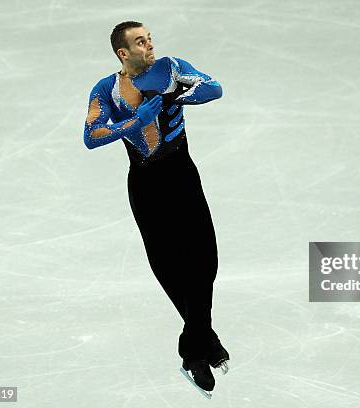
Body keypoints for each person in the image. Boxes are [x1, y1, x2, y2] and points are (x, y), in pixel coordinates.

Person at [83, 20, 228, 398]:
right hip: (146, 184)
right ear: (123, 52)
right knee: (168, 264)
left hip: (182, 173)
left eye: (149, 39)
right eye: (140, 42)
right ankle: (199, 348)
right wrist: (135, 121)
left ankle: (196, 339)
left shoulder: (171, 68)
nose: (149, 46)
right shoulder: (107, 90)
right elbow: (91, 136)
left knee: (205, 260)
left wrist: (176, 96)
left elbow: (214, 88)